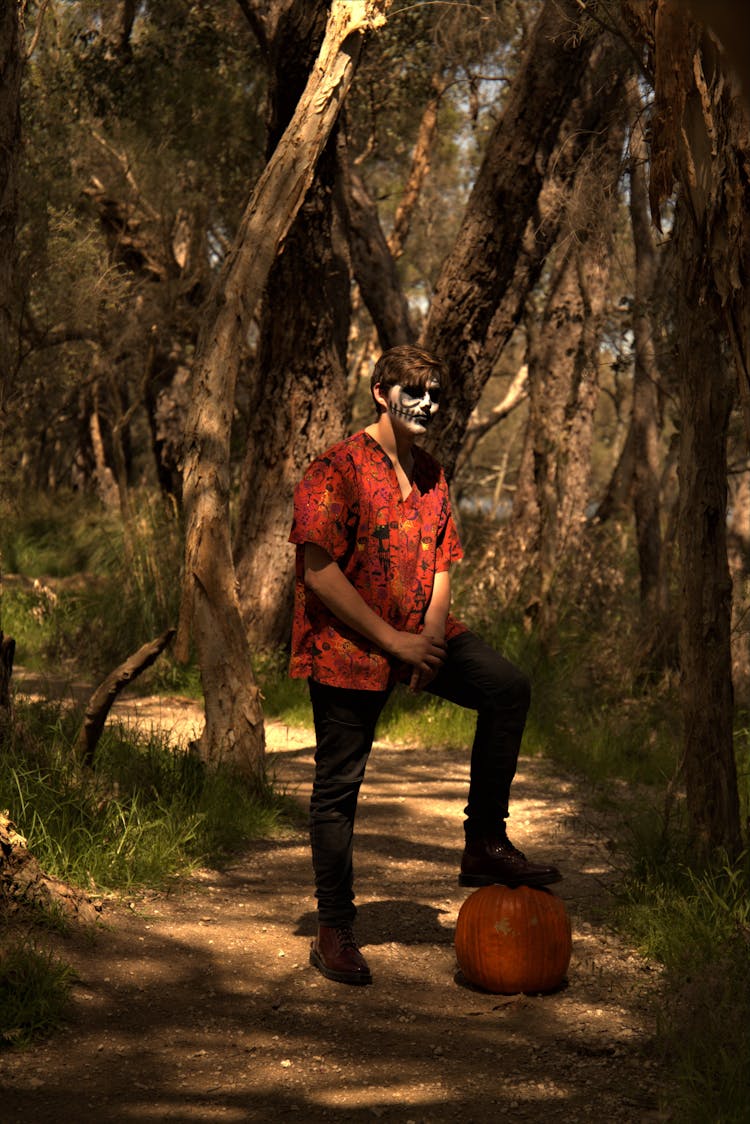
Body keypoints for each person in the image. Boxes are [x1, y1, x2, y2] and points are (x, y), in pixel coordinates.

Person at [288, 345, 561, 986]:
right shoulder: (336, 468)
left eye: (436, 394)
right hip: (350, 644)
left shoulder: (434, 476)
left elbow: (442, 562)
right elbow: (317, 571)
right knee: (338, 786)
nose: (428, 404)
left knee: (507, 687)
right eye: (416, 391)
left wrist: (431, 641)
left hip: (421, 630)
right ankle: (334, 927)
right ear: (381, 392)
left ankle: (484, 841)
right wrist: (394, 642)